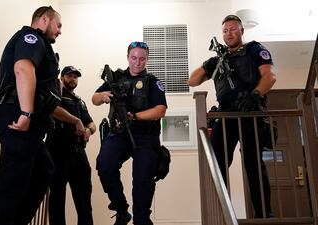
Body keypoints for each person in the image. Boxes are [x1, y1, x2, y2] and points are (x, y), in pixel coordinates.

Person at [0, 6, 84, 225]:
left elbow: (47, 104)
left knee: (44, 170)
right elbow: (23, 69)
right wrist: (26, 113)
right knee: (12, 182)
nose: (60, 31)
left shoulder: (42, 47)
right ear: (43, 20)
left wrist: (75, 119)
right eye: (58, 25)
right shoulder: (31, 38)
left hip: (30, 122)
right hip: (18, 118)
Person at [187, 15, 277, 218]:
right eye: (225, 30)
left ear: (242, 31)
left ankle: (265, 214)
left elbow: (269, 76)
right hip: (226, 115)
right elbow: (192, 81)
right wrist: (211, 63)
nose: (229, 33)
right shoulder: (219, 59)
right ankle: (222, 214)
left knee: (254, 164)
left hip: (250, 112)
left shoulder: (254, 49)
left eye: (233, 29)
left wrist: (255, 95)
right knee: (217, 165)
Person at [92, 41, 167, 225]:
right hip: (120, 133)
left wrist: (135, 116)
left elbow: (160, 110)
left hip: (145, 137)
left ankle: (141, 220)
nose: (137, 62)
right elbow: (94, 98)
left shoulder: (152, 81)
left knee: (142, 181)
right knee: (104, 164)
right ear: (128, 57)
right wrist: (102, 97)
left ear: (146, 60)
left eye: (142, 59)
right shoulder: (116, 78)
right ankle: (120, 209)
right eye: (134, 57)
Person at [45, 66, 96, 225]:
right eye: (69, 76)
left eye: (75, 76)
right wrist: (75, 121)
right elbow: (53, 110)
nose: (73, 79)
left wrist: (89, 130)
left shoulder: (80, 101)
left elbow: (91, 123)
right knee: (57, 195)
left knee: (84, 196)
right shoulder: (57, 94)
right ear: (62, 78)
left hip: (78, 151)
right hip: (58, 149)